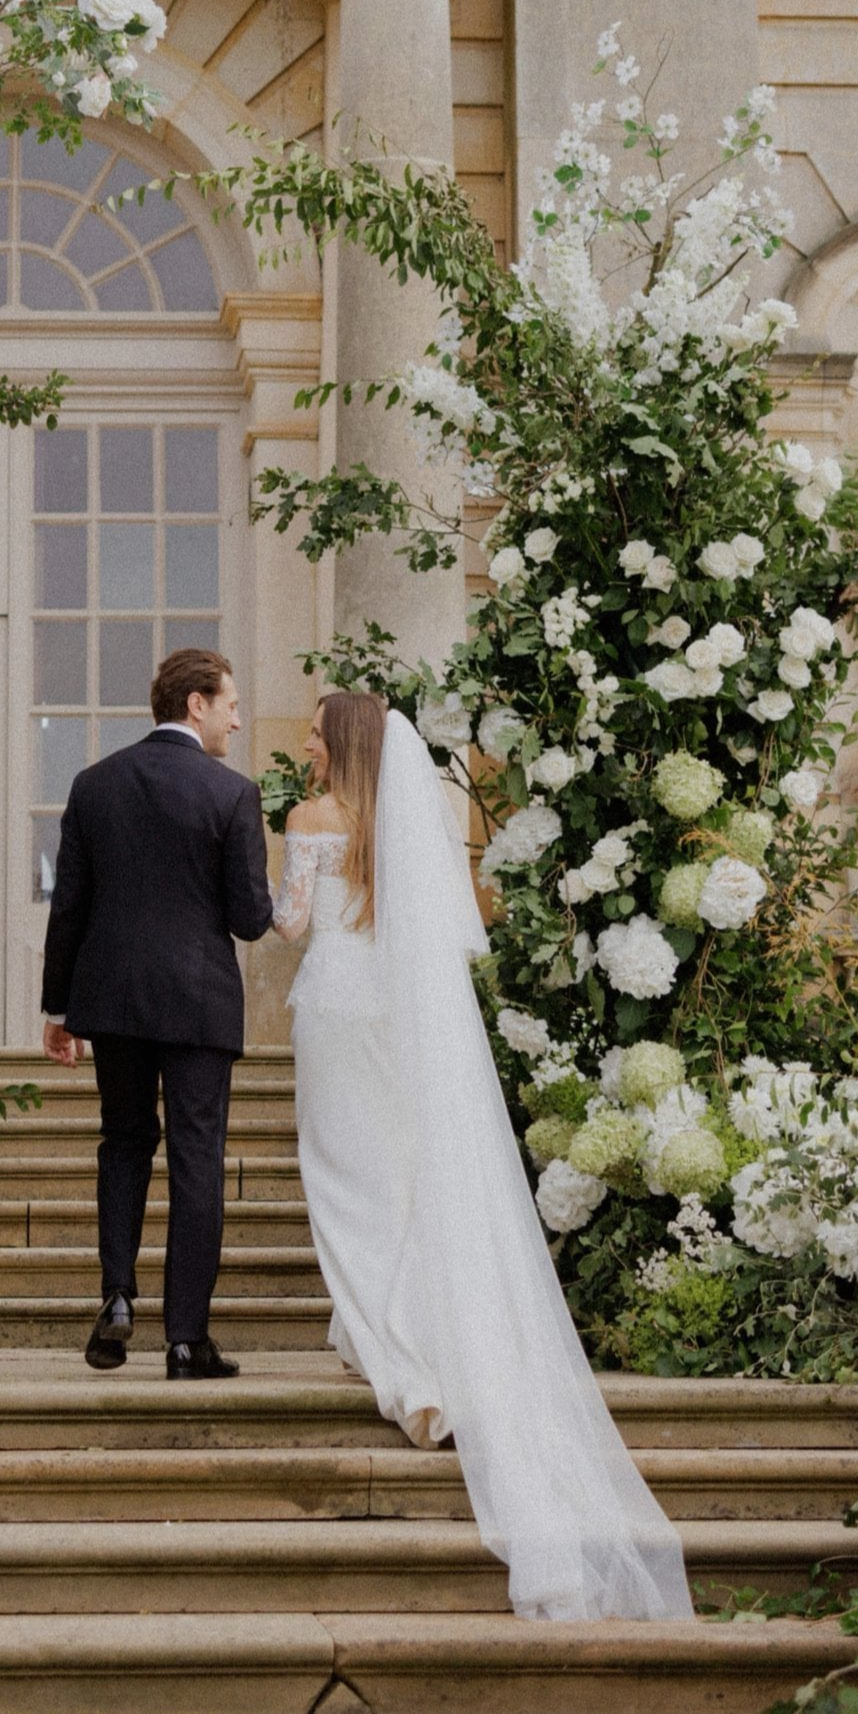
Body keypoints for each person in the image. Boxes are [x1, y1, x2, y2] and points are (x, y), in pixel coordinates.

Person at [272, 690, 692, 1620]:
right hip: (396, 1011)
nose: (300, 741)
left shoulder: (310, 816)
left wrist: (264, 882)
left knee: (339, 1180)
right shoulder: (395, 821)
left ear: (337, 744)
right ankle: (400, 1336)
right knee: (396, 1173)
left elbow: (290, 924)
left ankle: (401, 1359)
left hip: (336, 1008)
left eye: (311, 730)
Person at [39, 647, 274, 1381]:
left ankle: (116, 1298)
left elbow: (68, 907)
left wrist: (60, 1007)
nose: (239, 717)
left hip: (111, 999)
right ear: (195, 703)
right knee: (196, 1159)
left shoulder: (94, 784)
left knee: (124, 1142)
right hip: (199, 1000)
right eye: (230, 702)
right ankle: (185, 1339)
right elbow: (248, 918)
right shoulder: (232, 794)